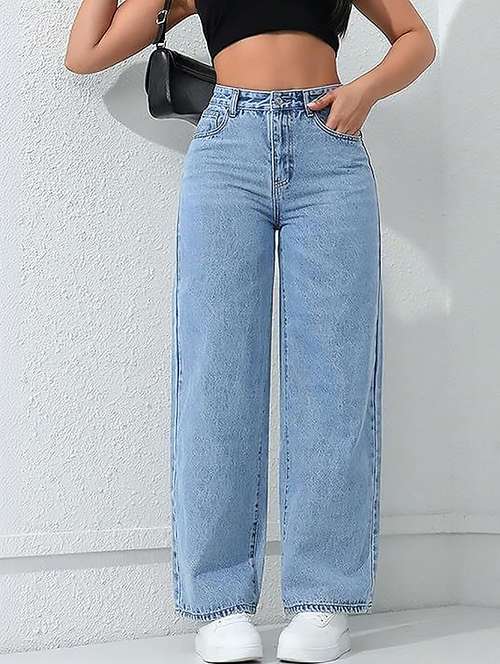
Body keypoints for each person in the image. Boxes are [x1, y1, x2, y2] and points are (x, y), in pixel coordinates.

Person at [65, 1, 436, 661]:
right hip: (227, 149)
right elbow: (86, 53)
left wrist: (365, 91)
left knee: (334, 380)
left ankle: (323, 600)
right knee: (217, 381)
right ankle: (220, 603)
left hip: (329, 145)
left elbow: (415, 39)